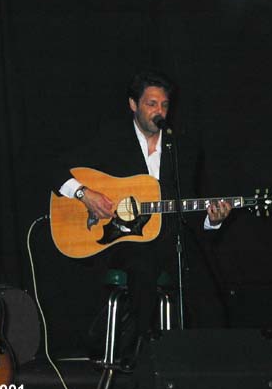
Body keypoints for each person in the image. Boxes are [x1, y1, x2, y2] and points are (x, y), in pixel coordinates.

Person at [55, 69, 231, 359]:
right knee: (143, 272)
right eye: (151, 104)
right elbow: (55, 168)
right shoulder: (110, 138)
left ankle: (208, 368)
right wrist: (84, 194)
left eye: (164, 105)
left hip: (172, 239)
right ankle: (142, 360)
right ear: (133, 105)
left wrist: (213, 220)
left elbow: (187, 207)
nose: (159, 111)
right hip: (121, 241)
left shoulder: (182, 149)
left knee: (209, 294)